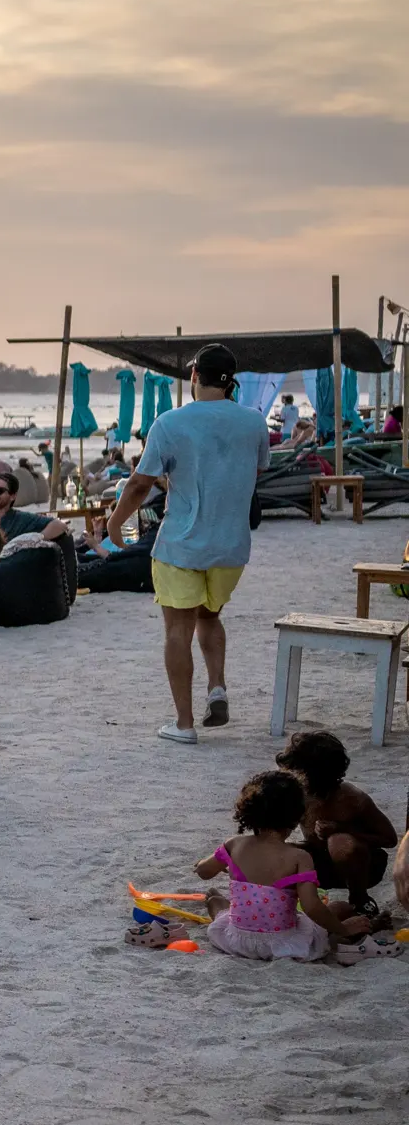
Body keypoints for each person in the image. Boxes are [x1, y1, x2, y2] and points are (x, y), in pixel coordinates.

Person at [99, 344, 267, 744]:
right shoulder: (254, 422)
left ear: (194, 376)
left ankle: (184, 724)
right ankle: (218, 686)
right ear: (231, 381)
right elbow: (255, 471)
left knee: (178, 629)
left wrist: (115, 521)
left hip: (181, 546)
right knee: (209, 617)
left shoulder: (170, 423)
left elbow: (139, 483)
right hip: (231, 547)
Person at [193, 770, 372, 959]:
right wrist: (342, 928)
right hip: (283, 943)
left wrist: (205, 864)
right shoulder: (299, 857)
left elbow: (204, 872)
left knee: (216, 903)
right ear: (296, 818)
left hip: (238, 941)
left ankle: (222, 908)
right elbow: (311, 907)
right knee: (340, 907)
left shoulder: (235, 845)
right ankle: (346, 928)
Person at [277, 730, 397, 919]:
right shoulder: (298, 796)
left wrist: (343, 829)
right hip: (317, 863)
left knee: (340, 842)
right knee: (274, 850)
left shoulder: (351, 798)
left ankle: (360, 900)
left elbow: (389, 839)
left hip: (363, 867)